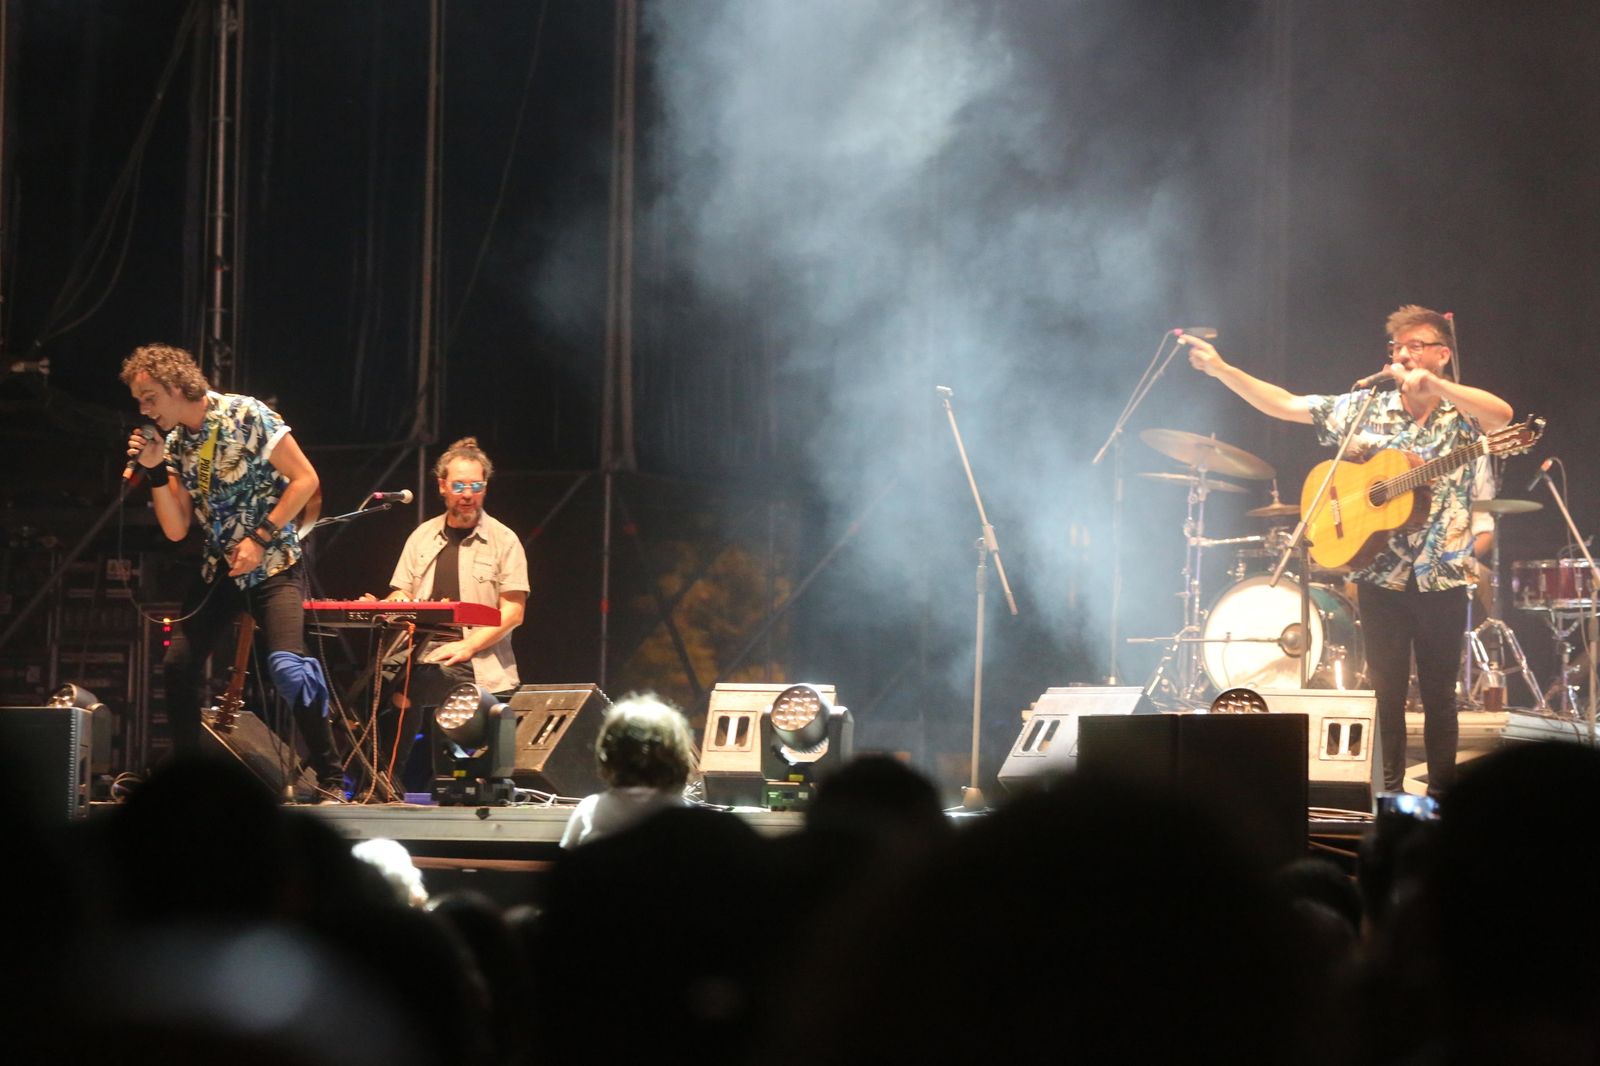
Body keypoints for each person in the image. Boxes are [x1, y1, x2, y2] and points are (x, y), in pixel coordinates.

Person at [1183, 306, 1513, 797]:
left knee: (1442, 697)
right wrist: (1224, 370)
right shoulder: (1365, 406)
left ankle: (1444, 800)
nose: (1403, 354)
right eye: (1397, 347)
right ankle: (1389, 795)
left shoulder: (1461, 416)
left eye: (1416, 346)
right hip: (1380, 578)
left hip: (1442, 576)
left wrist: (1436, 385)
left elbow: (1503, 415)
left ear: (1443, 354)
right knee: (1386, 694)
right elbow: (1287, 404)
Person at [121, 343, 345, 800]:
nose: (143, 409)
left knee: (287, 667)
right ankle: (185, 782)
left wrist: (260, 537)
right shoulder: (179, 443)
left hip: (274, 561)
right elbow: (177, 528)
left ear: (177, 386)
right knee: (178, 664)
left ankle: (332, 775)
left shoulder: (246, 414)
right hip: (221, 568)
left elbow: (306, 480)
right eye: (139, 401)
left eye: (149, 397)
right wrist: (157, 472)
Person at [373, 437, 528, 788]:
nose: (468, 494)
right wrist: (396, 600)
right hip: (421, 652)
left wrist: (468, 646)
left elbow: (514, 611)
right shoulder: (422, 537)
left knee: (422, 678)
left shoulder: (504, 541)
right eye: (459, 485)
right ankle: (379, 783)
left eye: (476, 486)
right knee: (378, 680)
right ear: (442, 486)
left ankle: (392, 779)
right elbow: (403, 592)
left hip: (479, 661)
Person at [558, 694, 695, 848]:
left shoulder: (590, 810)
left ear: (607, 754)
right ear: (679, 756)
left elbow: (568, 861)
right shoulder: (694, 820)